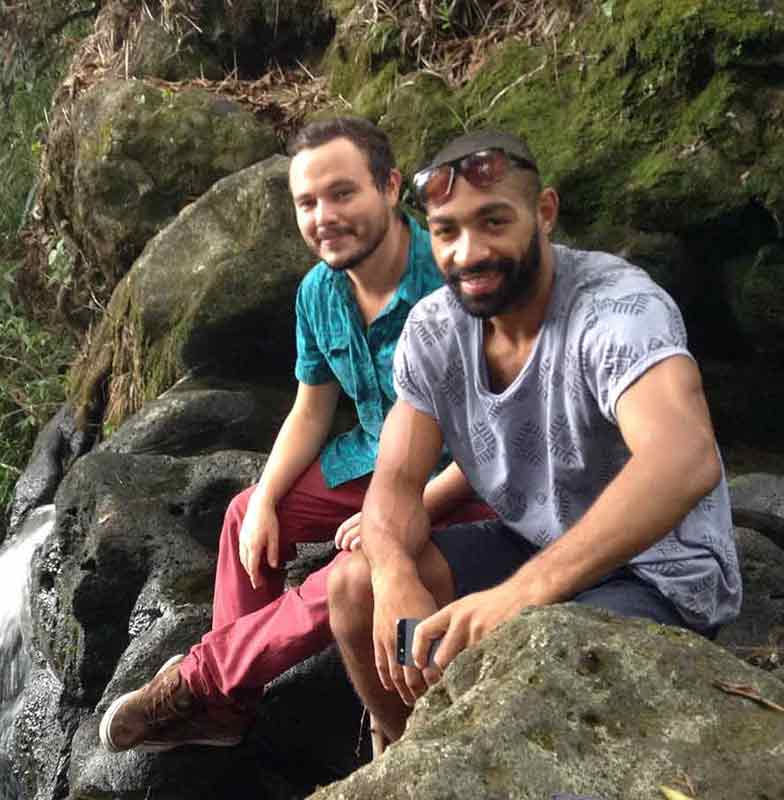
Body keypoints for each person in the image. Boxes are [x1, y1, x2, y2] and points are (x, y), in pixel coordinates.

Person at [326, 130, 743, 749]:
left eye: (494, 221)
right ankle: (405, 756)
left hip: (658, 574)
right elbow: (395, 480)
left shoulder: (618, 309)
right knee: (353, 586)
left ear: (544, 212)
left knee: (531, 659)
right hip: (534, 542)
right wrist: (391, 574)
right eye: (447, 231)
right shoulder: (436, 328)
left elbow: (685, 456)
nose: (470, 252)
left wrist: (520, 597)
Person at [99, 117, 491, 755]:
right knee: (246, 516)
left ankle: (202, 678)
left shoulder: (450, 281)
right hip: (370, 459)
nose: (324, 216)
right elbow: (312, 409)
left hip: (456, 480)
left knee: (346, 575)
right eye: (307, 203)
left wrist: (403, 513)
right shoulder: (318, 292)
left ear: (390, 188)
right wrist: (262, 501)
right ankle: (230, 709)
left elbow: (493, 441)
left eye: (342, 194)